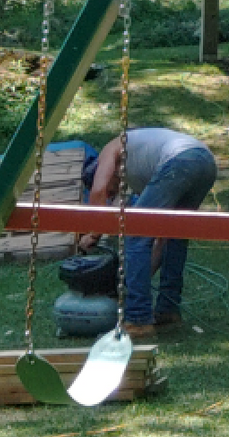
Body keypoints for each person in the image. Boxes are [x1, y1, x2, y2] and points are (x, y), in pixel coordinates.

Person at [84, 127, 217, 338]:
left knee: (135, 233)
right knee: (175, 236)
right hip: (205, 162)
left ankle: (138, 319)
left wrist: (93, 234)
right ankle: (167, 310)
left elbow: (98, 191)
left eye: (113, 191)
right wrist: (138, 277)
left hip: (179, 160)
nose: (112, 193)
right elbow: (158, 239)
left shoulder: (108, 151)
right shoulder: (145, 173)